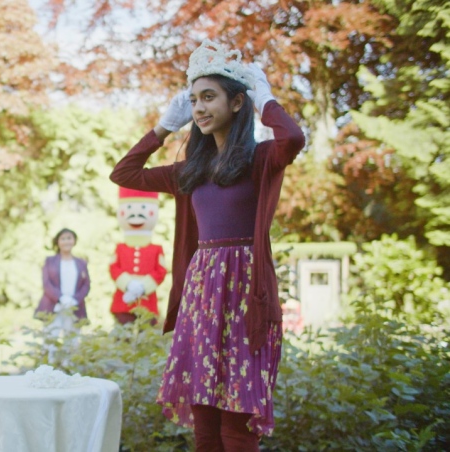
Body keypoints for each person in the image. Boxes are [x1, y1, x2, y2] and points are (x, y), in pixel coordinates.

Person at [110, 39, 305, 451]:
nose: (198, 108)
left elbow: (292, 138)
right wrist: (164, 127)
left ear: (237, 103)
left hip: (245, 295)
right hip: (201, 298)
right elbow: (124, 173)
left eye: (209, 97)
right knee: (205, 426)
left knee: (237, 425)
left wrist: (265, 99)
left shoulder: (260, 159)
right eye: (194, 99)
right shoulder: (190, 171)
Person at [109, 187, 167, 325]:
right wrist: (128, 284)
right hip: (123, 302)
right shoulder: (120, 248)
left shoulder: (157, 249)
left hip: (147, 302)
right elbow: (113, 268)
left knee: (146, 334)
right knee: (122, 334)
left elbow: (161, 271)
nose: (136, 214)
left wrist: (143, 286)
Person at [34, 228, 91, 337]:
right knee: (50, 339)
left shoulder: (81, 263)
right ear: (58, 242)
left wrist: (75, 300)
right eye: (63, 239)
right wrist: (61, 298)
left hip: (74, 308)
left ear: (74, 241)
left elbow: (86, 285)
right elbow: (46, 284)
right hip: (53, 307)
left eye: (69, 238)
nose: (66, 241)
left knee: (72, 340)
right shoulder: (49, 261)